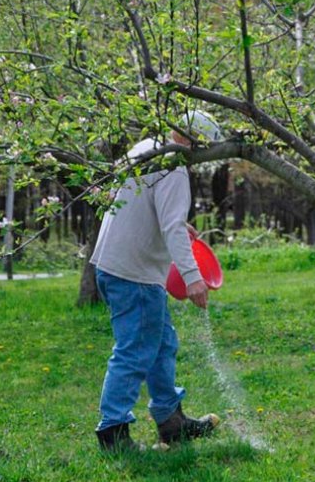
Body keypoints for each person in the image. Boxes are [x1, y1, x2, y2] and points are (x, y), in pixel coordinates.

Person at [89, 111, 222, 452]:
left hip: (115, 266)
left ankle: (171, 422)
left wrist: (176, 224)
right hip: (134, 274)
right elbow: (172, 227)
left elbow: (147, 209)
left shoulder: (147, 149)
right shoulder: (174, 167)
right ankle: (113, 433)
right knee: (134, 352)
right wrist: (192, 278)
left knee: (162, 344)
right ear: (195, 142)